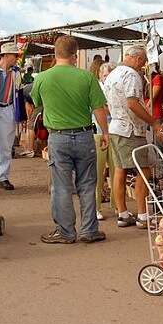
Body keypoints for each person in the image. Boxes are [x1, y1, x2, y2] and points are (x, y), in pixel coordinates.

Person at [31, 35, 110, 244]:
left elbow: (36, 103)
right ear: (75, 55)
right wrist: (105, 133)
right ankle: (89, 230)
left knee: (61, 186)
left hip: (57, 137)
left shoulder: (42, 78)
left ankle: (65, 232)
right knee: (87, 183)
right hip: (84, 135)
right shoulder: (87, 78)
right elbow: (98, 109)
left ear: (55, 54)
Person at [103, 46, 163, 229]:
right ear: (136, 59)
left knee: (120, 170)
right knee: (142, 171)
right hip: (130, 129)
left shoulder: (112, 74)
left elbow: (107, 104)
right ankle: (143, 216)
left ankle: (122, 213)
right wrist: (153, 122)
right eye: (143, 61)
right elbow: (132, 103)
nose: (143, 65)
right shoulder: (131, 75)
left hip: (116, 126)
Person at [94, 62, 116, 220]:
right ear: (100, 75)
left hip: (114, 132)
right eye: (106, 75)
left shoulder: (114, 88)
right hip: (99, 133)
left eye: (110, 75)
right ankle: (95, 207)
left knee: (116, 172)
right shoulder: (97, 88)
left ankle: (117, 205)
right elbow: (101, 108)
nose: (108, 78)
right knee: (97, 173)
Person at [0, 43, 20, 190]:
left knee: (6, 145)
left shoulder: (16, 73)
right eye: (15, 55)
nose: (17, 58)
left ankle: (3, 177)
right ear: (5, 55)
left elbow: (18, 92)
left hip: (7, 109)